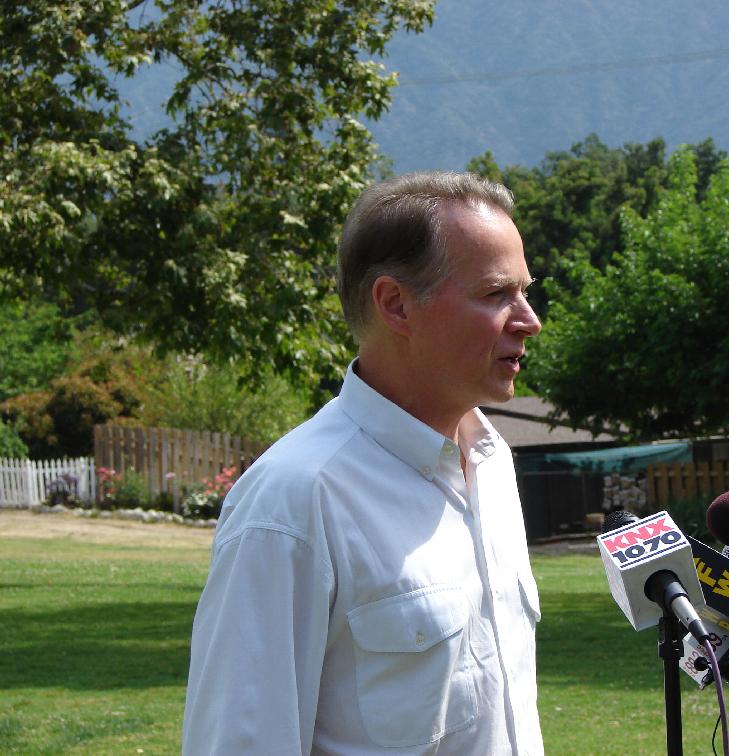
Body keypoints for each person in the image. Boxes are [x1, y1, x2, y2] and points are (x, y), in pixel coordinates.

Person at [182, 171, 545, 755]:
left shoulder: (491, 462)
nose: (529, 319)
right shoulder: (294, 501)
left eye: (524, 291)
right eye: (495, 294)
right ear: (396, 304)